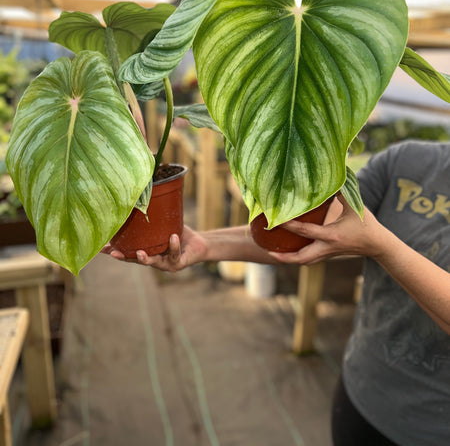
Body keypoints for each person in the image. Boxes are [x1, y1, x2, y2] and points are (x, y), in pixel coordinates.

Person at [104, 139, 450, 446]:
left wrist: (384, 248)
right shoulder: (407, 162)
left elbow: (373, 241)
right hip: (361, 397)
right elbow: (310, 233)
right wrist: (206, 245)